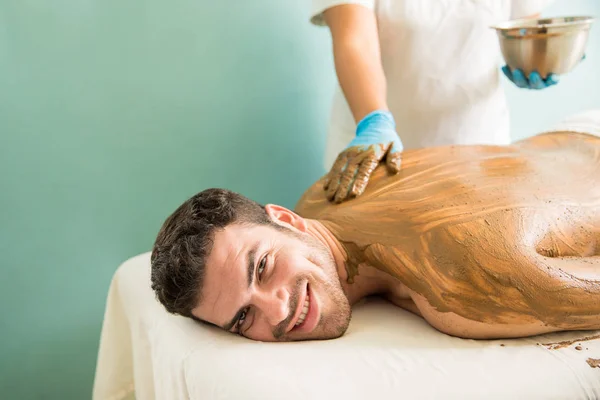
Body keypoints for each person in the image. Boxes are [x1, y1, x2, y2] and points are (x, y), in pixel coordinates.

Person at [150, 122, 600, 342]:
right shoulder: (322, 195)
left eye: (263, 267)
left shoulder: (464, 288)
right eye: (244, 318)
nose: (277, 312)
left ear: (286, 220)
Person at [311, 0, 562, 203]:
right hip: (375, 147)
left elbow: (528, 29)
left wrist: (546, 57)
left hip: (478, 144)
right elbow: (354, 39)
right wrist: (373, 120)